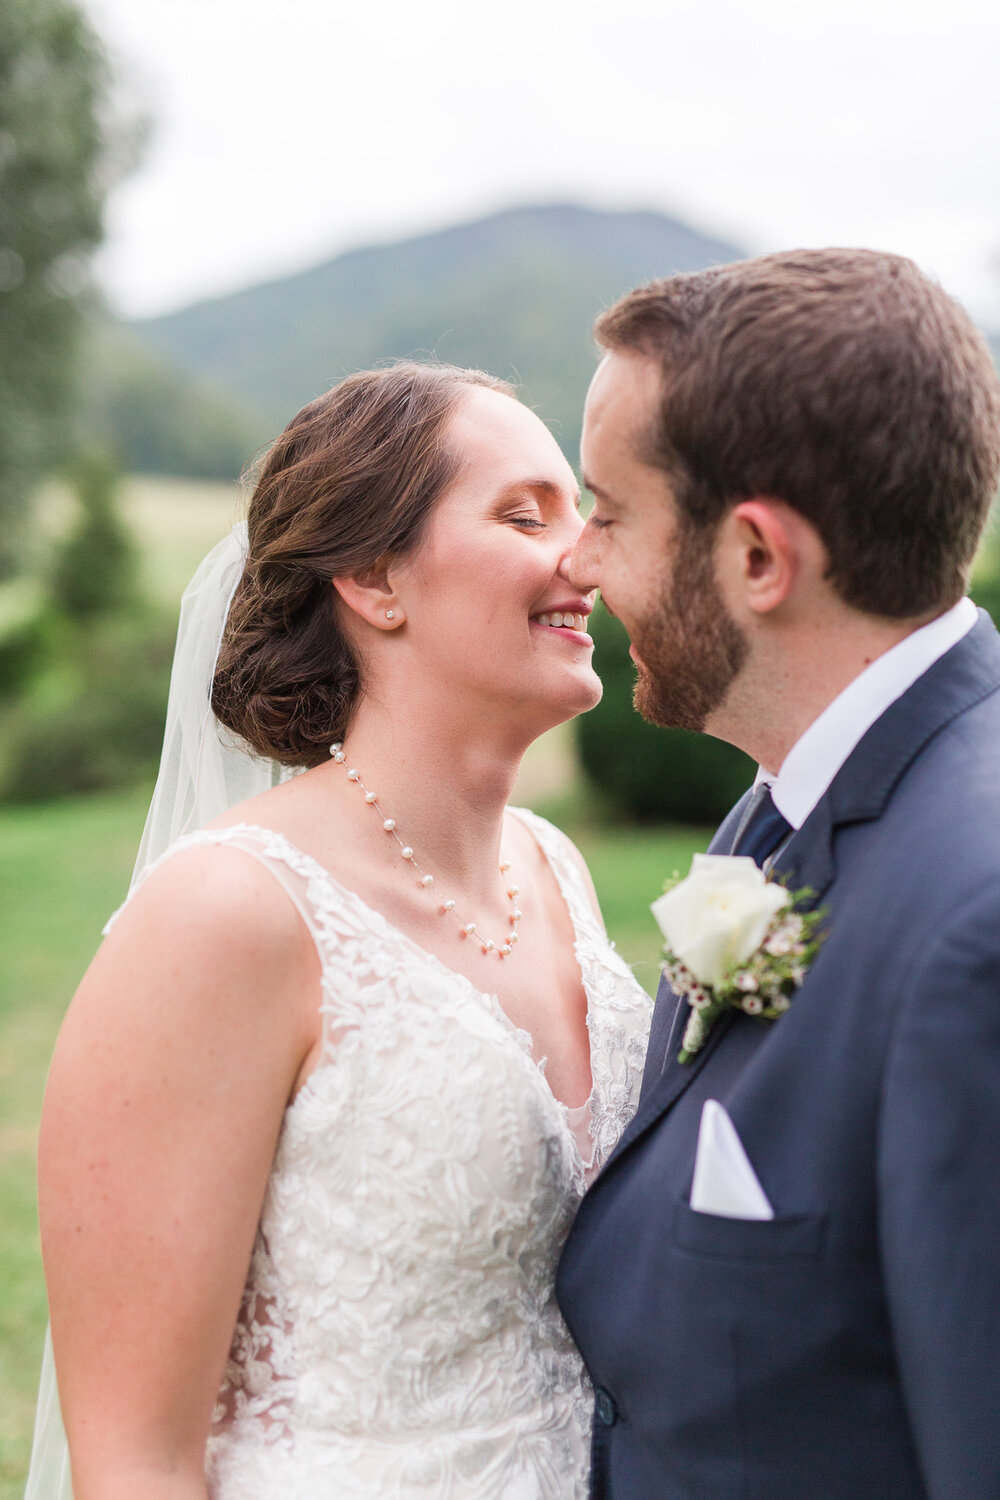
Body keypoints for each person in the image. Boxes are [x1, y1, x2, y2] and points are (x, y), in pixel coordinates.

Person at [28, 361, 652, 1500]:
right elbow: (134, 1462)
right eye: (525, 514)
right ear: (372, 577)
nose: (588, 558)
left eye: (584, 513)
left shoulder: (554, 867)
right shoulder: (227, 913)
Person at [556, 249, 1000, 1499]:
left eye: (608, 512)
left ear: (757, 557)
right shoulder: (785, 807)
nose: (580, 566)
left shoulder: (976, 922)